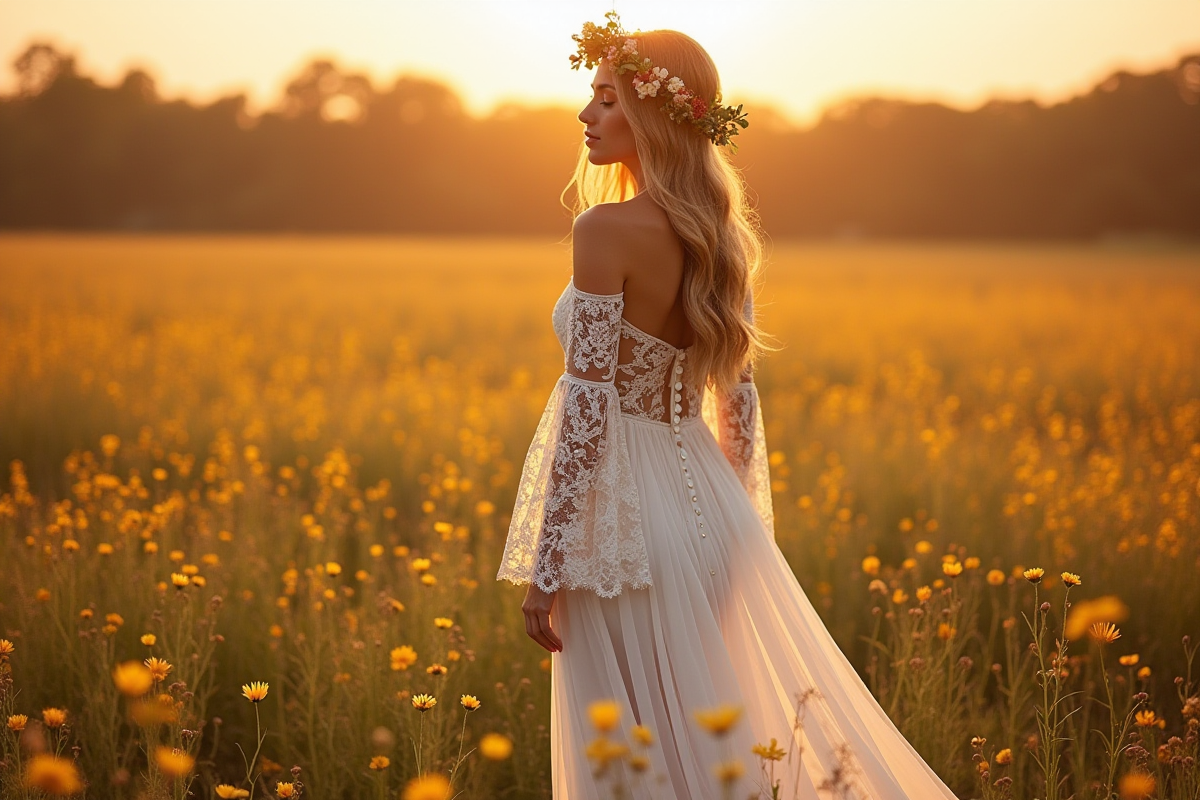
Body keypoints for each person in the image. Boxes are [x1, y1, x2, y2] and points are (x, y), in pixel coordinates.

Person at [496, 13, 962, 799]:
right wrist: (737, 536)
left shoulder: (603, 229)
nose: (586, 115)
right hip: (711, 517)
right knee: (704, 747)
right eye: (590, 96)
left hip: (626, 531)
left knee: (634, 760)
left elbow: (585, 409)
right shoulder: (720, 236)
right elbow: (738, 404)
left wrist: (547, 568)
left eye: (607, 99)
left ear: (653, 116)